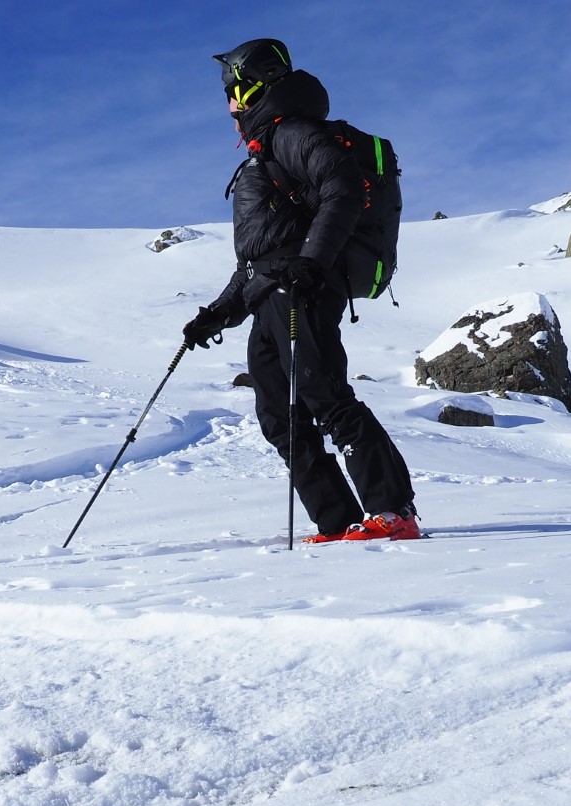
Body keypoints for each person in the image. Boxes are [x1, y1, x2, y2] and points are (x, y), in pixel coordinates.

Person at [183, 38, 419, 544]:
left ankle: (393, 511)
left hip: (301, 290)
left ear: (256, 87)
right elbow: (256, 259)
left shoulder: (292, 132)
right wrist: (218, 314)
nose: (228, 105)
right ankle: (338, 522)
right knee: (279, 417)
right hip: (269, 295)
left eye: (233, 92)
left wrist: (312, 262)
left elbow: (344, 187)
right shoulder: (265, 148)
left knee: (325, 395)